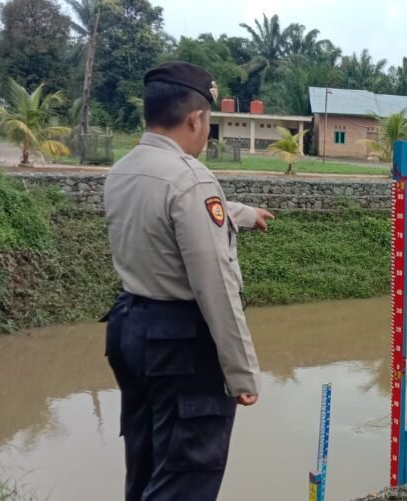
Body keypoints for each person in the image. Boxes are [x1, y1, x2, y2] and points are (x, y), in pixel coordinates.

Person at [102, 61, 275, 501]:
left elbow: (170, 215)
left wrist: (242, 213)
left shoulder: (123, 170)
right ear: (196, 118)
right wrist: (242, 374)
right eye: (209, 123)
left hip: (130, 328)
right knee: (186, 476)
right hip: (180, 345)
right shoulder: (191, 177)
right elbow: (215, 284)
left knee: (147, 464)